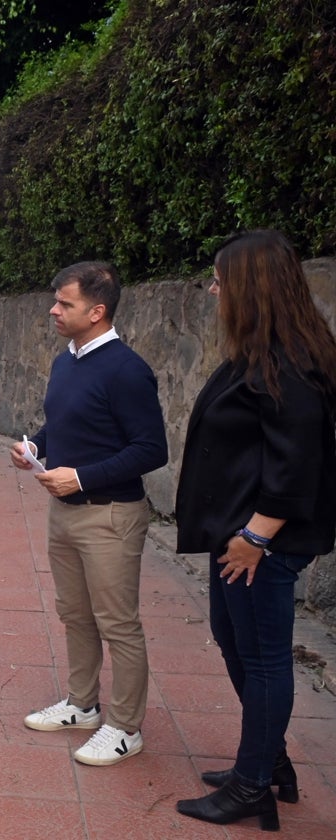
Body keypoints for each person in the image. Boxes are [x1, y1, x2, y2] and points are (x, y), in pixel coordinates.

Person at [174, 230, 336, 831]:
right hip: (240, 540)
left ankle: (251, 787)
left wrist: (257, 538)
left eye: (220, 279)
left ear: (250, 287)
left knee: (264, 659)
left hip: (260, 545)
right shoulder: (261, 354)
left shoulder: (290, 365)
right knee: (232, 635)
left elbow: (299, 465)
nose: (214, 290)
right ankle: (271, 764)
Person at [11, 261, 167, 767]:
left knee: (118, 624)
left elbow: (151, 449)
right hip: (66, 514)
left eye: (65, 304)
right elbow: (64, 424)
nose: (53, 310)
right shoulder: (67, 361)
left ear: (97, 311)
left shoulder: (127, 369)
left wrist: (82, 477)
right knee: (75, 614)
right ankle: (83, 705)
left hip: (111, 515)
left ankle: (125, 727)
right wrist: (37, 443)